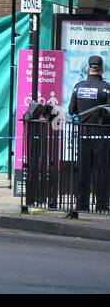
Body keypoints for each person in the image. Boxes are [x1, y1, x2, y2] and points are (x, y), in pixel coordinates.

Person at [69, 55, 110, 212]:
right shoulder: (106, 88)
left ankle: (82, 205)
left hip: (83, 135)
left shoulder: (78, 87)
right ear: (101, 69)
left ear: (88, 68)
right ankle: (101, 205)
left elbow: (72, 110)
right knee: (101, 170)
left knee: (83, 170)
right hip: (102, 135)